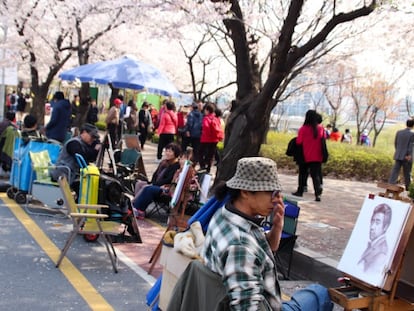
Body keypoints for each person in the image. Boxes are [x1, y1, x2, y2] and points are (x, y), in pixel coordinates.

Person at [201, 157, 333, 310]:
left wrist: (277, 227)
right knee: (321, 295)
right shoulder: (240, 248)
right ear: (245, 191)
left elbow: (264, 249)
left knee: (316, 292)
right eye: (272, 192)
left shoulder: (225, 215)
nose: (278, 199)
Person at [133, 142, 181, 219]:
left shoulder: (176, 165)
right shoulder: (164, 162)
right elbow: (155, 174)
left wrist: (154, 184)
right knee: (139, 183)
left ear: (175, 154)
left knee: (147, 188)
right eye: (167, 151)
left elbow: (168, 180)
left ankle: (138, 209)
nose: (167, 153)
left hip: (165, 188)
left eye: (170, 151)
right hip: (156, 184)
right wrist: (152, 182)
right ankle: (137, 206)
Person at [293, 110, 324, 201]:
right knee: (316, 175)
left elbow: (299, 142)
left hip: (305, 155)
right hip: (317, 156)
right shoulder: (320, 129)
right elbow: (322, 141)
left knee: (303, 174)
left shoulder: (303, 129)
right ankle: (318, 194)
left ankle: (300, 191)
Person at [358, 203, 392, 274]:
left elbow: (367, 274)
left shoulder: (381, 253)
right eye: (372, 221)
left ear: (385, 227)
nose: (372, 227)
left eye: (377, 223)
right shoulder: (372, 245)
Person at [388, 119, 414, 190]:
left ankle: (390, 184)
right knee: (407, 173)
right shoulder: (412, 134)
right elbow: (410, 145)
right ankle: (408, 188)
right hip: (407, 157)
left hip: (398, 154)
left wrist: (398, 151)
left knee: (395, 171)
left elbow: (396, 143)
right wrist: (408, 155)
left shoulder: (399, 132)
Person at [199, 103, 224, 173]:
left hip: (206, 139)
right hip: (214, 139)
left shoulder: (206, 118)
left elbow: (206, 127)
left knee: (200, 153)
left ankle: (203, 166)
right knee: (211, 155)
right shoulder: (216, 118)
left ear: (208, 110)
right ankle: (208, 168)